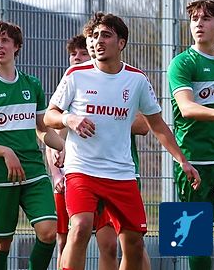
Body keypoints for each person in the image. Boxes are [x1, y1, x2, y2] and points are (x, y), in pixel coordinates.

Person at [46, 12, 201, 270]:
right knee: (81, 227)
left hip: (121, 174)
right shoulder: (76, 74)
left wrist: (182, 160)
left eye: (106, 35)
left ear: (121, 43)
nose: (98, 41)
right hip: (82, 170)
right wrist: (68, 119)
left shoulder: (136, 79)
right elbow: (49, 116)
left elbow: (157, 124)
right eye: (95, 35)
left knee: (134, 243)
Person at [0, 21, 63, 270]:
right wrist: (5, 152)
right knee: (1, 243)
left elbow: (42, 129)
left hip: (34, 172)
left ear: (16, 46)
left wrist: (66, 148)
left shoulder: (32, 85)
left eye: (5, 40)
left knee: (49, 232)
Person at [46, 35, 151, 270]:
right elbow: (49, 127)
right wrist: (57, 171)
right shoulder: (73, 83)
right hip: (80, 173)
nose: (79, 57)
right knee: (73, 234)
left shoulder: (128, 81)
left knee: (121, 243)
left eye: (83, 53)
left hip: (118, 173)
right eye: (74, 54)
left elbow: (146, 124)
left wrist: (109, 116)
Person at [167, 0, 214, 270]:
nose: (198, 24)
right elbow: (186, 108)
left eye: (205, 19)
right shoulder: (181, 63)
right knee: (193, 240)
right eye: (194, 19)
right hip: (192, 162)